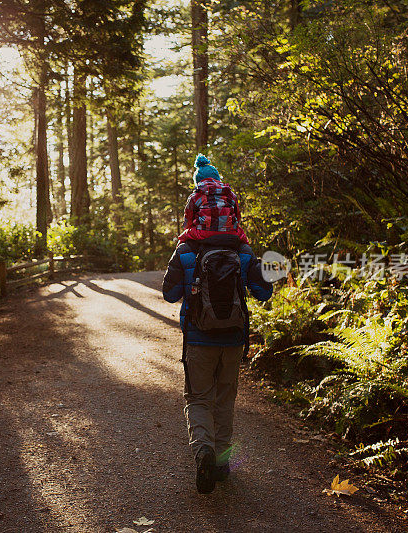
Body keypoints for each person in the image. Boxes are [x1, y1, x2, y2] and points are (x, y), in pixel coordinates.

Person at [162, 228, 273, 494]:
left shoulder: (186, 250)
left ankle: (204, 451)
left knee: (199, 399)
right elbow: (263, 293)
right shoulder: (243, 251)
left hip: (199, 339)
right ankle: (222, 464)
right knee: (225, 398)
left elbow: (169, 293)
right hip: (233, 339)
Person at [177, 154, 249, 246]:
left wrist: (189, 228)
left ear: (198, 181)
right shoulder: (231, 194)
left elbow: (188, 221)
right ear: (218, 179)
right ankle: (253, 259)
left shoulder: (195, 196)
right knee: (245, 243)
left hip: (203, 234)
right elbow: (238, 218)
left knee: (182, 239)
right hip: (230, 233)